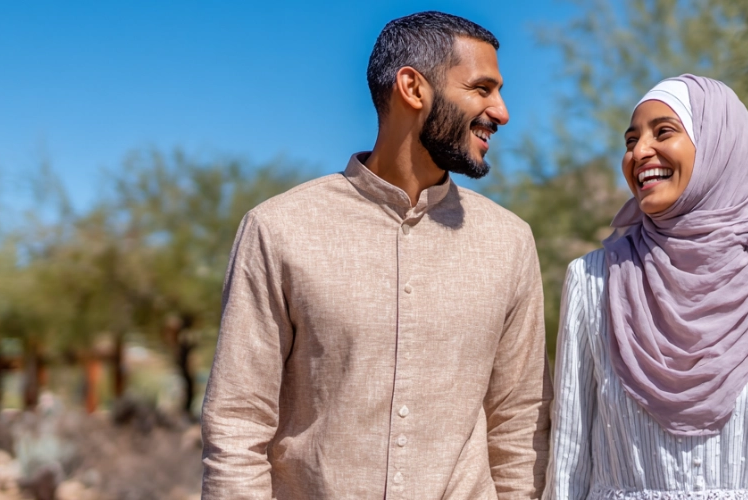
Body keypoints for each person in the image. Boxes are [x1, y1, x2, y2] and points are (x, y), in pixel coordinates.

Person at [200, 11, 550, 499]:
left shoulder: (509, 242)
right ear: (413, 87)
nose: (502, 111)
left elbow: (518, 425)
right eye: (482, 88)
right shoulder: (278, 229)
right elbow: (238, 423)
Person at [544, 75, 748, 499]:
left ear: (719, 146)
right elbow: (569, 460)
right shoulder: (592, 279)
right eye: (630, 140)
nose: (639, 152)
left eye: (663, 132)